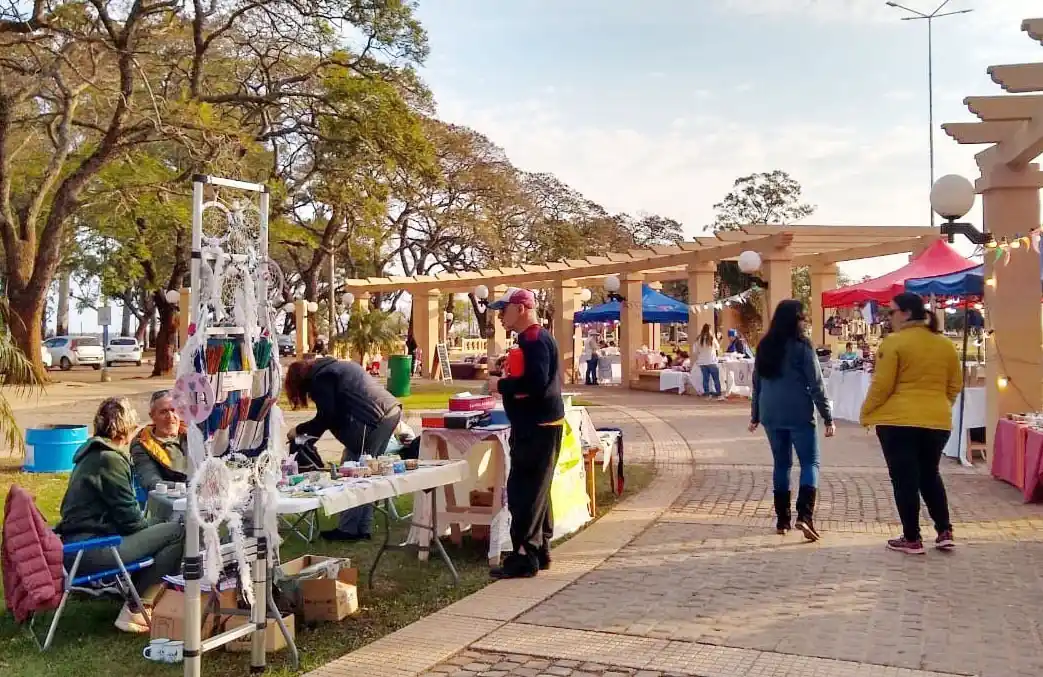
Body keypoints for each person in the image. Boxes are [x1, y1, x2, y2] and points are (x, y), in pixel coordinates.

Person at [55, 397, 185, 633]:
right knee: (177, 532)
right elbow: (132, 522)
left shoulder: (92, 453)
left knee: (164, 530)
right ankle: (136, 608)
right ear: (125, 428)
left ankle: (139, 595)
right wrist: (158, 523)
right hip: (92, 550)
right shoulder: (109, 460)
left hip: (78, 545)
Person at [860, 292, 961, 555]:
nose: (888, 317)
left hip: (898, 422)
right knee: (930, 475)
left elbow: (882, 385)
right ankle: (944, 530)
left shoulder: (894, 343)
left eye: (891, 312)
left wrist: (867, 412)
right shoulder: (945, 345)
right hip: (937, 420)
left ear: (905, 313)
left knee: (905, 479)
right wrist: (938, 405)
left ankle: (912, 537)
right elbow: (954, 386)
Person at [486, 287, 565, 579]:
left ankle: (523, 556)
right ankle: (540, 550)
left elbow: (536, 383)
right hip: (539, 424)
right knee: (537, 490)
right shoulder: (532, 339)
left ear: (520, 308)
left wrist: (501, 386)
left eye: (503, 310)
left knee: (524, 492)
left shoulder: (533, 338)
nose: (500, 316)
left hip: (537, 426)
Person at [284, 356, 403, 541]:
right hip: (388, 411)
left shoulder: (322, 378)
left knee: (353, 472)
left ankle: (348, 530)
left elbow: (326, 416)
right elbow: (331, 416)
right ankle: (361, 528)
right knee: (366, 472)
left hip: (373, 418)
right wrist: (308, 435)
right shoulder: (336, 367)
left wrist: (299, 431)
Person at [749, 300, 835, 541]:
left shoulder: (764, 345)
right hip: (798, 412)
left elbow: (757, 384)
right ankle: (804, 516)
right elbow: (816, 384)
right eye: (803, 318)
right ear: (797, 320)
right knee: (810, 463)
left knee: (782, 464)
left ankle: (782, 520)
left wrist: (755, 415)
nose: (805, 323)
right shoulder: (802, 346)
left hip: (770, 412)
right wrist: (828, 416)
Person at [130, 390, 187, 492]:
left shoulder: (192, 434)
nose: (170, 416)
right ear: (152, 416)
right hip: (170, 501)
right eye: (163, 412)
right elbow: (152, 482)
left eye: (173, 410)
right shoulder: (142, 444)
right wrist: (189, 486)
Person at [694, 324, 723, 399]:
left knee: (705, 379)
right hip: (712, 361)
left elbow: (695, 351)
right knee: (716, 379)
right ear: (710, 330)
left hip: (702, 362)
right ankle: (718, 393)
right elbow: (717, 347)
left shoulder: (699, 339)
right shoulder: (711, 338)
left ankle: (707, 394)